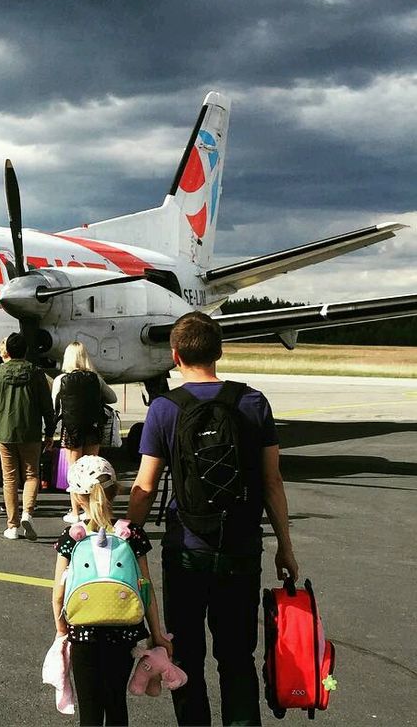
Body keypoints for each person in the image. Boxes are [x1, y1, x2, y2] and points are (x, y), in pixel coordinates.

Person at [127, 311, 298, 726]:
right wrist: (286, 548)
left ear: (174, 355)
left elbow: (146, 486)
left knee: (185, 654)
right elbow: (272, 481)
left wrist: (126, 537)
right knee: (237, 656)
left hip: (186, 548)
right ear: (219, 351)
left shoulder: (166, 409)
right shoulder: (253, 402)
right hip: (240, 546)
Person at [52, 456, 171, 726]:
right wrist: (157, 633)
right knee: (116, 702)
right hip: (124, 629)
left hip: (83, 630)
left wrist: (61, 632)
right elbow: (145, 587)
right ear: (116, 491)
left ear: (77, 496)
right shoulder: (131, 534)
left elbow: (58, 593)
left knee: (90, 710)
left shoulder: (71, 537)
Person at [0, 331, 56, 540]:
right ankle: (28, 512)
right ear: (25, 350)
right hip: (31, 431)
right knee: (32, 474)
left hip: (4, 432)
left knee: (9, 478)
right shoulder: (36, 373)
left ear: (8, 351)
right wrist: (50, 431)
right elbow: (46, 406)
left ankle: (12, 525)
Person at [52, 341, 117, 524]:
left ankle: (75, 511)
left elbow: (53, 405)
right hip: (93, 427)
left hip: (71, 429)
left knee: (75, 472)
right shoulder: (95, 379)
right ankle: (92, 509)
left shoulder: (61, 380)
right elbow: (112, 397)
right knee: (93, 470)